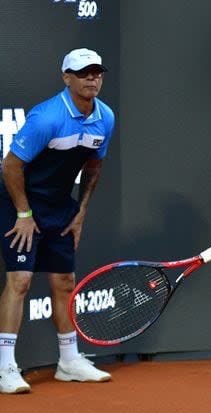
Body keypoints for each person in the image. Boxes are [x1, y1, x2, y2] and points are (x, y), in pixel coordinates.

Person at [0, 48, 115, 394]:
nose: (92, 78)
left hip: (59, 205)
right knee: (19, 280)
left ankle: (69, 361)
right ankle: (6, 367)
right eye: (83, 73)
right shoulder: (47, 118)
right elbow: (11, 166)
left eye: (96, 72)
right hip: (19, 203)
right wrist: (23, 213)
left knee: (64, 280)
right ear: (67, 78)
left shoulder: (105, 117)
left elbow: (94, 165)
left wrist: (80, 212)